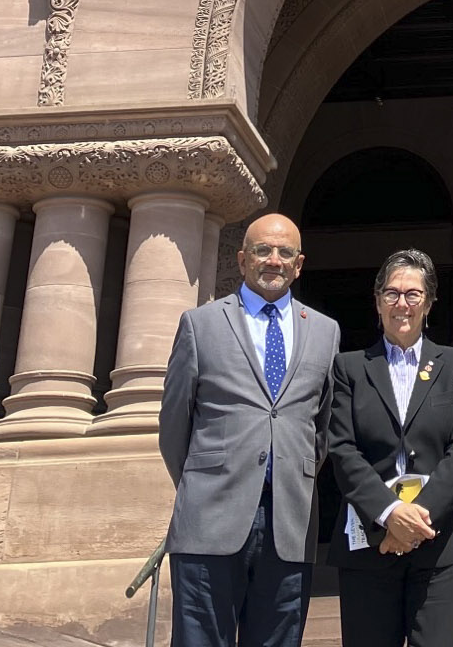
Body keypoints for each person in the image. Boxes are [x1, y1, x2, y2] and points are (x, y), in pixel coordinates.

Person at [159, 212, 341, 647]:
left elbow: (324, 427)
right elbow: (174, 425)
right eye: (262, 250)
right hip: (210, 521)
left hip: (290, 524)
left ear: (299, 264)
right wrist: (204, 484)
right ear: (242, 260)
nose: (273, 260)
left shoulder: (325, 331)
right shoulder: (200, 325)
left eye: (285, 252)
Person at [327, 248, 453, 647]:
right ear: (377, 301)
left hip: (439, 543)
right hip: (369, 543)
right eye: (392, 293)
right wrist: (389, 513)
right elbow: (343, 449)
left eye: (413, 294)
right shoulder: (349, 368)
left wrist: (414, 522)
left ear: (429, 303)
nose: (402, 304)